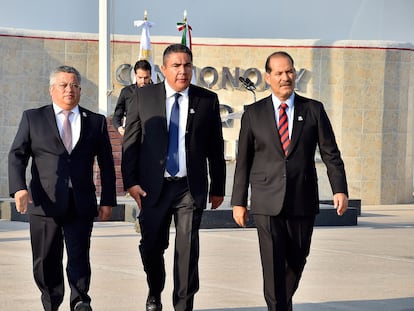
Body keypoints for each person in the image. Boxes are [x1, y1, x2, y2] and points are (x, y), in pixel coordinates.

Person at [231, 51, 348, 311]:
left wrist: (339, 188)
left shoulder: (313, 109)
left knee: (297, 259)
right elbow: (244, 161)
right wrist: (238, 201)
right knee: (272, 264)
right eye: (280, 73)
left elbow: (330, 152)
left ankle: (282, 303)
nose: (286, 77)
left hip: (301, 199)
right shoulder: (253, 113)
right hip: (265, 200)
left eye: (290, 71)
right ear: (268, 77)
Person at [121, 43, 226, 311]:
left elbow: (216, 147)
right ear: (164, 69)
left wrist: (218, 187)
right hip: (152, 188)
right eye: (177, 66)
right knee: (151, 246)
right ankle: (154, 288)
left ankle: (183, 305)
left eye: (187, 65)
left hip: (189, 189)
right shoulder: (143, 98)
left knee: (188, 251)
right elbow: (130, 144)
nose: (183, 71)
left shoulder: (207, 100)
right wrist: (130, 182)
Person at [8, 65, 117, 311]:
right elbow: (17, 155)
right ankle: (51, 301)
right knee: (46, 261)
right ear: (52, 89)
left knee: (79, 256)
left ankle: (80, 300)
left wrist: (108, 200)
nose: (70, 90)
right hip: (44, 202)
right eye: (64, 85)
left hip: (81, 202)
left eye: (75, 85)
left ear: (80, 90)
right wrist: (19, 188)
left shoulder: (96, 122)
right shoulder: (33, 118)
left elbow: (107, 164)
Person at [112, 59, 152, 136]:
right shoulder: (126, 92)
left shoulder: (157, 92)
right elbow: (117, 115)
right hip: (131, 136)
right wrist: (119, 128)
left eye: (146, 78)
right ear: (135, 75)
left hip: (151, 137)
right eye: (140, 77)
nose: (143, 81)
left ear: (150, 75)